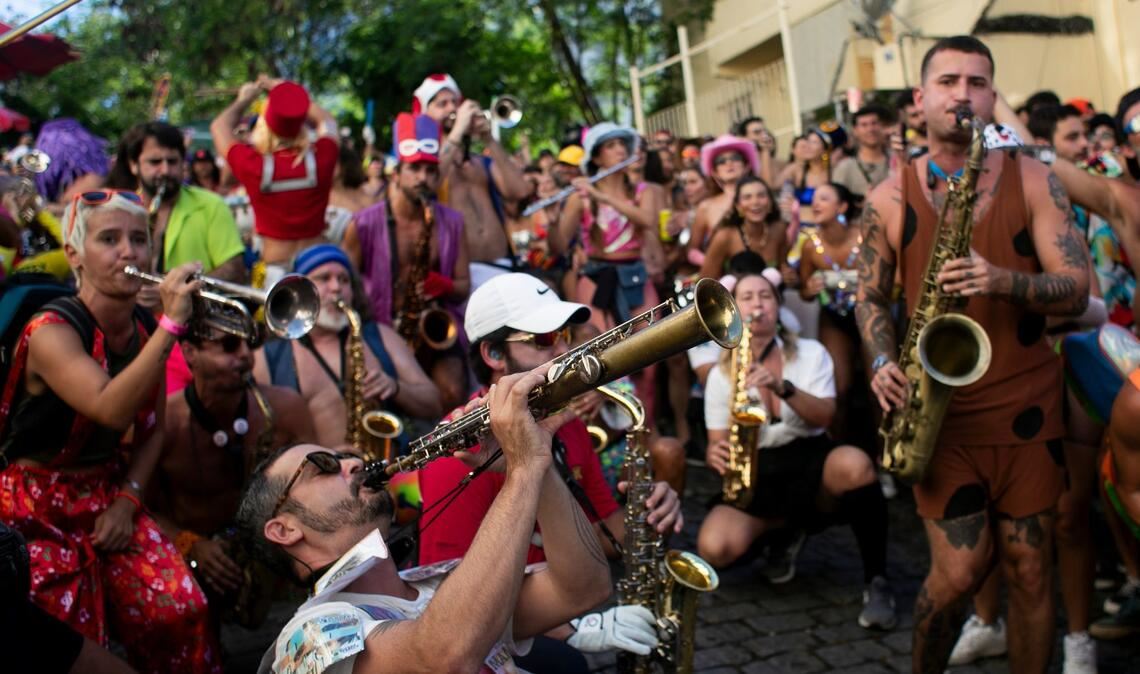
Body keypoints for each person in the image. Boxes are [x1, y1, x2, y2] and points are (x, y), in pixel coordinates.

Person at [855, 36, 1090, 673]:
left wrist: (1001, 280)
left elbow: (1077, 288)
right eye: (950, 81)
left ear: (993, 96)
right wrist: (882, 362)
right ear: (920, 99)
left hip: (1027, 405)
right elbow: (870, 296)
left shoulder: (1036, 178)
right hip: (942, 414)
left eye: (979, 83)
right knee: (959, 571)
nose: (964, 94)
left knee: (1032, 570)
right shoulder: (888, 196)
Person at [235, 378, 615, 673]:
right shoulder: (305, 637)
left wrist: (538, 460)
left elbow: (583, 587)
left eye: (343, 457)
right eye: (322, 467)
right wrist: (522, 467)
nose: (351, 463)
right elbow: (444, 659)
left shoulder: (443, 586)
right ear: (283, 530)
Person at [0, 190, 221, 673]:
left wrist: (127, 501)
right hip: (31, 507)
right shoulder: (51, 330)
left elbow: (152, 433)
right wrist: (172, 324)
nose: (129, 252)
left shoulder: (145, 329)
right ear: (74, 255)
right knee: (67, 635)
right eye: (109, 239)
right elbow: (109, 408)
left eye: (139, 240)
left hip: (109, 492)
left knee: (181, 609)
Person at [417, 271, 682, 664]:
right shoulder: (457, 452)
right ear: (493, 354)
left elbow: (605, 533)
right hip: (489, 641)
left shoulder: (566, 422)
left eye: (564, 336)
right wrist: (573, 631)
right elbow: (443, 602)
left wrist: (649, 513)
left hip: (561, 604)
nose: (563, 352)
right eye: (542, 339)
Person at [698, 268, 895, 629]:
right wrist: (716, 456)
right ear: (734, 310)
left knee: (856, 465)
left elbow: (824, 416)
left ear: (777, 305)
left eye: (765, 296)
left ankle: (877, 580)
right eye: (747, 297)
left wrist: (781, 387)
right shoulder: (720, 373)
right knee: (714, 547)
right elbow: (718, 444)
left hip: (809, 457)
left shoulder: (810, 352)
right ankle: (783, 531)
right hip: (758, 471)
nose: (758, 304)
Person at [149, 328, 316, 627]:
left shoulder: (287, 407)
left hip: (270, 561)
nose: (245, 355)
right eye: (228, 345)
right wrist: (189, 543)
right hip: (195, 564)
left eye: (249, 343)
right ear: (189, 353)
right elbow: (139, 507)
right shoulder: (165, 421)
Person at [254, 244, 442, 450]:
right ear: (298, 292)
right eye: (324, 278)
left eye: (344, 280)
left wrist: (396, 388)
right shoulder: (268, 358)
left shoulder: (381, 336)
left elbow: (433, 404)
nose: (337, 288)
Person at [342, 113, 471, 412]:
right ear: (396, 174)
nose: (422, 178)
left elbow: (463, 286)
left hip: (433, 322)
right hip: (381, 325)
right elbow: (347, 281)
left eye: (430, 170)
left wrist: (444, 285)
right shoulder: (362, 224)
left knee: (452, 394)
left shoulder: (453, 223)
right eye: (414, 169)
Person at [548, 123, 661, 424]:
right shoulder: (580, 197)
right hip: (597, 280)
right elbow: (559, 246)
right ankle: (609, 441)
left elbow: (648, 221)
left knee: (650, 361)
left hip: (636, 277)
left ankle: (645, 434)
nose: (620, 149)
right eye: (610, 146)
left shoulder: (642, 191)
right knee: (601, 360)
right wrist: (552, 220)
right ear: (596, 158)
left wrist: (603, 196)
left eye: (622, 144)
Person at [210, 77, 339, 277]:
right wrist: (284, 89)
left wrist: (244, 99)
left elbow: (219, 126)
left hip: (276, 270)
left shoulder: (254, 165)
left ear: (265, 125)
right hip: (318, 263)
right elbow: (327, 121)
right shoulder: (323, 157)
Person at [414, 73, 532, 289]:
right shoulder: (424, 166)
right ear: (426, 114)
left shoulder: (481, 162)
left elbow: (521, 191)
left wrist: (489, 139)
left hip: (504, 266)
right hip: (461, 276)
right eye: (442, 104)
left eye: (455, 103)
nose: (452, 108)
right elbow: (430, 183)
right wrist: (458, 130)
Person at [798, 183, 865, 442]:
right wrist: (810, 288)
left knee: (877, 387)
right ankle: (837, 447)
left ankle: (885, 459)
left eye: (824, 199)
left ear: (843, 206)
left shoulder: (864, 236)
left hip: (868, 316)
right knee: (840, 387)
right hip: (833, 319)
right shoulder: (810, 246)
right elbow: (804, 291)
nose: (816, 204)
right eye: (814, 199)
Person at [686, 135, 761, 272]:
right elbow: (692, 250)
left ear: (746, 166)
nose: (729, 163)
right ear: (715, 172)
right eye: (721, 161)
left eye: (735, 158)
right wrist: (713, 261)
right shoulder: (706, 207)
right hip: (722, 280)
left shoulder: (761, 200)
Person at [699, 174, 787, 280]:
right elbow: (705, 284)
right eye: (747, 197)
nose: (755, 202)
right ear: (738, 206)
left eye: (761, 195)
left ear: (770, 203)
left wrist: (789, 277)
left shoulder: (779, 230)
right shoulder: (725, 237)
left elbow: (783, 268)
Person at [833, 105, 892, 200]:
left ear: (882, 126)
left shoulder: (897, 160)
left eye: (874, 123)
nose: (870, 129)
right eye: (864, 125)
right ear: (855, 131)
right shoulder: (845, 168)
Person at [324, 145, 373, 245]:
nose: (325, 164)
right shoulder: (317, 196)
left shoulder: (366, 198)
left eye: (331, 160)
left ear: (345, 165)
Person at [736, 116, 783, 186]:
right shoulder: (741, 163)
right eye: (757, 132)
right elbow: (767, 185)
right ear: (744, 138)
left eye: (765, 131)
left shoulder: (778, 162)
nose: (764, 135)